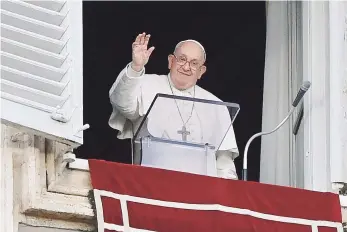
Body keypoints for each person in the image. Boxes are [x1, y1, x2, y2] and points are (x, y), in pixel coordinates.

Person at [108, 32, 239, 180]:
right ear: (171, 61)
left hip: (202, 192)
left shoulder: (217, 106)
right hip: (151, 183)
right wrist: (136, 67)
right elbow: (122, 103)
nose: (187, 67)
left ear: (201, 71)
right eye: (182, 59)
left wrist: (228, 193)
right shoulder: (146, 83)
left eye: (194, 63)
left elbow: (224, 162)